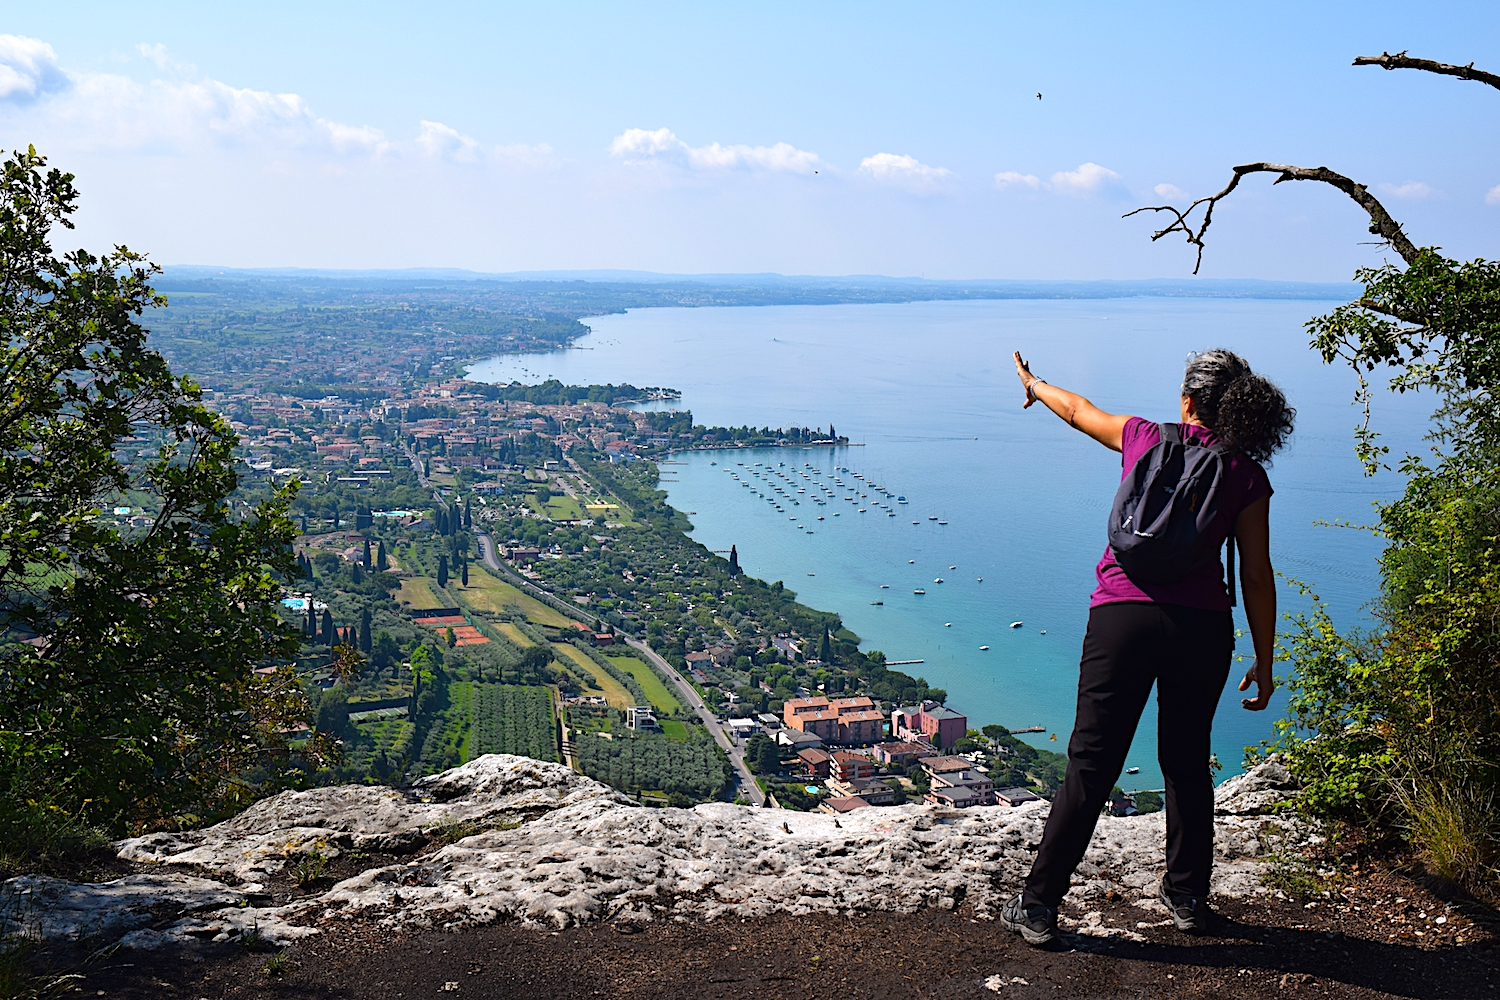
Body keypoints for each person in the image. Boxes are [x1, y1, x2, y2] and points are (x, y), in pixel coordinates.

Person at [1000, 348, 1294, 946]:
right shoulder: (1244, 473)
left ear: (1187, 401)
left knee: (1092, 762)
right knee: (1186, 762)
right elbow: (1258, 574)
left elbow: (1080, 410)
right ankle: (1186, 896)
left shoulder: (1144, 438)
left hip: (1120, 617)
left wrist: (1036, 384)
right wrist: (1264, 660)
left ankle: (1038, 905)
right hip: (1200, 628)